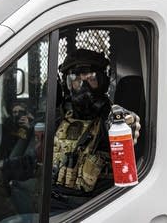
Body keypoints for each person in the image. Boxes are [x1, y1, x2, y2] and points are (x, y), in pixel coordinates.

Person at [50, 48, 141, 212]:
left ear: (103, 82)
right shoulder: (60, 118)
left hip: (89, 208)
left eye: (91, 79)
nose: (83, 86)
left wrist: (126, 124)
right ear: (66, 84)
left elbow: (124, 122)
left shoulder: (110, 118)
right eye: (76, 79)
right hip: (53, 199)